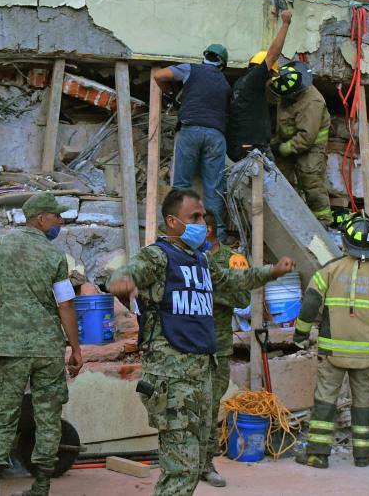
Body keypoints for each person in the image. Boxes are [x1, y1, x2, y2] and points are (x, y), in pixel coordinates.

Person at [108, 189, 294, 496]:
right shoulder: (158, 256)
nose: (202, 225)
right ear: (172, 222)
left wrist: (271, 272)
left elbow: (235, 281)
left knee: (192, 465)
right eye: (194, 217)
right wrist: (122, 279)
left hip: (201, 371)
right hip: (172, 377)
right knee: (180, 470)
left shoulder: (201, 260)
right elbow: (132, 271)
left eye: (203, 218)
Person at [0, 193, 82, 496]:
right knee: (48, 416)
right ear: (41, 219)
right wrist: (76, 348)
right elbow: (66, 307)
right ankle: (41, 486)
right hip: (47, 348)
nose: (60, 221)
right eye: (56, 216)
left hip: (11, 346)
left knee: (3, 415)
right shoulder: (55, 257)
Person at [293, 215, 369, 469]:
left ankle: (318, 454)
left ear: (345, 241)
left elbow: (310, 303)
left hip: (332, 352)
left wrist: (300, 334)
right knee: (364, 404)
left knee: (326, 402)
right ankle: (363, 455)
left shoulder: (330, 269)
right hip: (366, 355)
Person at [199, 211, 257, 487]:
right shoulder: (187, 258)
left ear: (208, 230)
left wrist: (209, 291)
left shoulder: (233, 260)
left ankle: (206, 462)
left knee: (210, 406)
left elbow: (242, 296)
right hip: (187, 344)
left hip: (217, 345)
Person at [154, 44, 232, 241]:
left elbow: (158, 75)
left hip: (190, 130)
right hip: (216, 135)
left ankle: (175, 229)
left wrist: (171, 94)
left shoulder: (191, 69)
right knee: (213, 188)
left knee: (181, 184)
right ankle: (216, 238)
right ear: (222, 64)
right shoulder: (225, 84)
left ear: (204, 57)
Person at [270, 62, 333, 226]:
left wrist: (284, 148)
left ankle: (322, 220)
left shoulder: (313, 102)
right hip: (289, 141)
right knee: (279, 176)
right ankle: (286, 216)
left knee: (310, 177)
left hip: (310, 145)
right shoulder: (286, 91)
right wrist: (275, 143)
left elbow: (307, 137)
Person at [227, 9, 293, 162]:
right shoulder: (254, 78)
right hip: (253, 148)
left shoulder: (240, 83)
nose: (271, 81)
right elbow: (272, 55)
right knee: (272, 184)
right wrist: (285, 23)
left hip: (240, 145)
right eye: (272, 76)